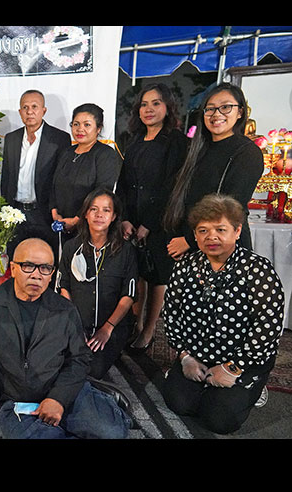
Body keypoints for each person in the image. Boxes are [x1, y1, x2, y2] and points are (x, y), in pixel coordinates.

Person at [0, 238, 132, 440]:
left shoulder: (65, 309)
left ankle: (99, 399)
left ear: (52, 275)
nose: (36, 275)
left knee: (111, 432)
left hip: (65, 391)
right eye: (28, 266)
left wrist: (58, 399)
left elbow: (80, 359)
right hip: (19, 401)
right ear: (13, 269)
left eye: (45, 268)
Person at [161, 194, 284, 434]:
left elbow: (267, 327)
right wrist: (185, 356)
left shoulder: (257, 270)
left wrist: (233, 367)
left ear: (237, 231)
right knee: (179, 403)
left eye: (220, 229)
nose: (211, 237)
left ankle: (254, 384)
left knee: (219, 419)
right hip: (197, 354)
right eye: (203, 231)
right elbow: (172, 314)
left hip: (244, 359)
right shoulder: (185, 267)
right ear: (195, 235)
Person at [115, 83, 189, 351]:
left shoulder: (177, 141)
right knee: (138, 273)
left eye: (156, 103)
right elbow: (124, 182)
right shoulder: (134, 140)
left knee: (158, 276)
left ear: (168, 107)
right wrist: (124, 218)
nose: (149, 109)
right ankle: (135, 324)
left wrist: (149, 223)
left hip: (162, 221)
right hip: (133, 218)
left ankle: (149, 330)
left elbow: (172, 186)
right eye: (144, 104)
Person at [163, 82, 264, 262]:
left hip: (223, 246)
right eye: (210, 109)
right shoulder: (197, 149)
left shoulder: (247, 152)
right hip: (192, 247)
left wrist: (189, 240)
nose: (217, 114)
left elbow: (232, 205)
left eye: (225, 107)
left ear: (240, 112)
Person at [57, 189, 138, 380]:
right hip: (76, 324)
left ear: (114, 216)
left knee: (92, 370)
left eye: (106, 210)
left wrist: (107, 329)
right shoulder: (71, 247)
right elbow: (63, 287)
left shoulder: (126, 251)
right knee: (58, 361)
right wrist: (74, 327)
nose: (99, 215)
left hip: (111, 327)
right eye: (94, 209)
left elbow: (129, 295)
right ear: (85, 214)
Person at [0, 89, 72, 258]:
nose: (29, 111)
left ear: (44, 110)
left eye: (34, 107)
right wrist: (6, 209)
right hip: (15, 213)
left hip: (44, 213)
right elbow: (6, 178)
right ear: (20, 112)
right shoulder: (11, 138)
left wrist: (55, 209)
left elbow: (61, 180)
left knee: (45, 260)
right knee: (16, 259)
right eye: (25, 107)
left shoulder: (59, 138)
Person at [49, 103, 123, 257]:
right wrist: (55, 213)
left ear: (98, 128)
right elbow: (54, 185)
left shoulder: (105, 154)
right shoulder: (67, 152)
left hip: (91, 228)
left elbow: (102, 192)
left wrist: (77, 220)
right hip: (63, 226)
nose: (80, 129)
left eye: (87, 125)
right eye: (76, 124)